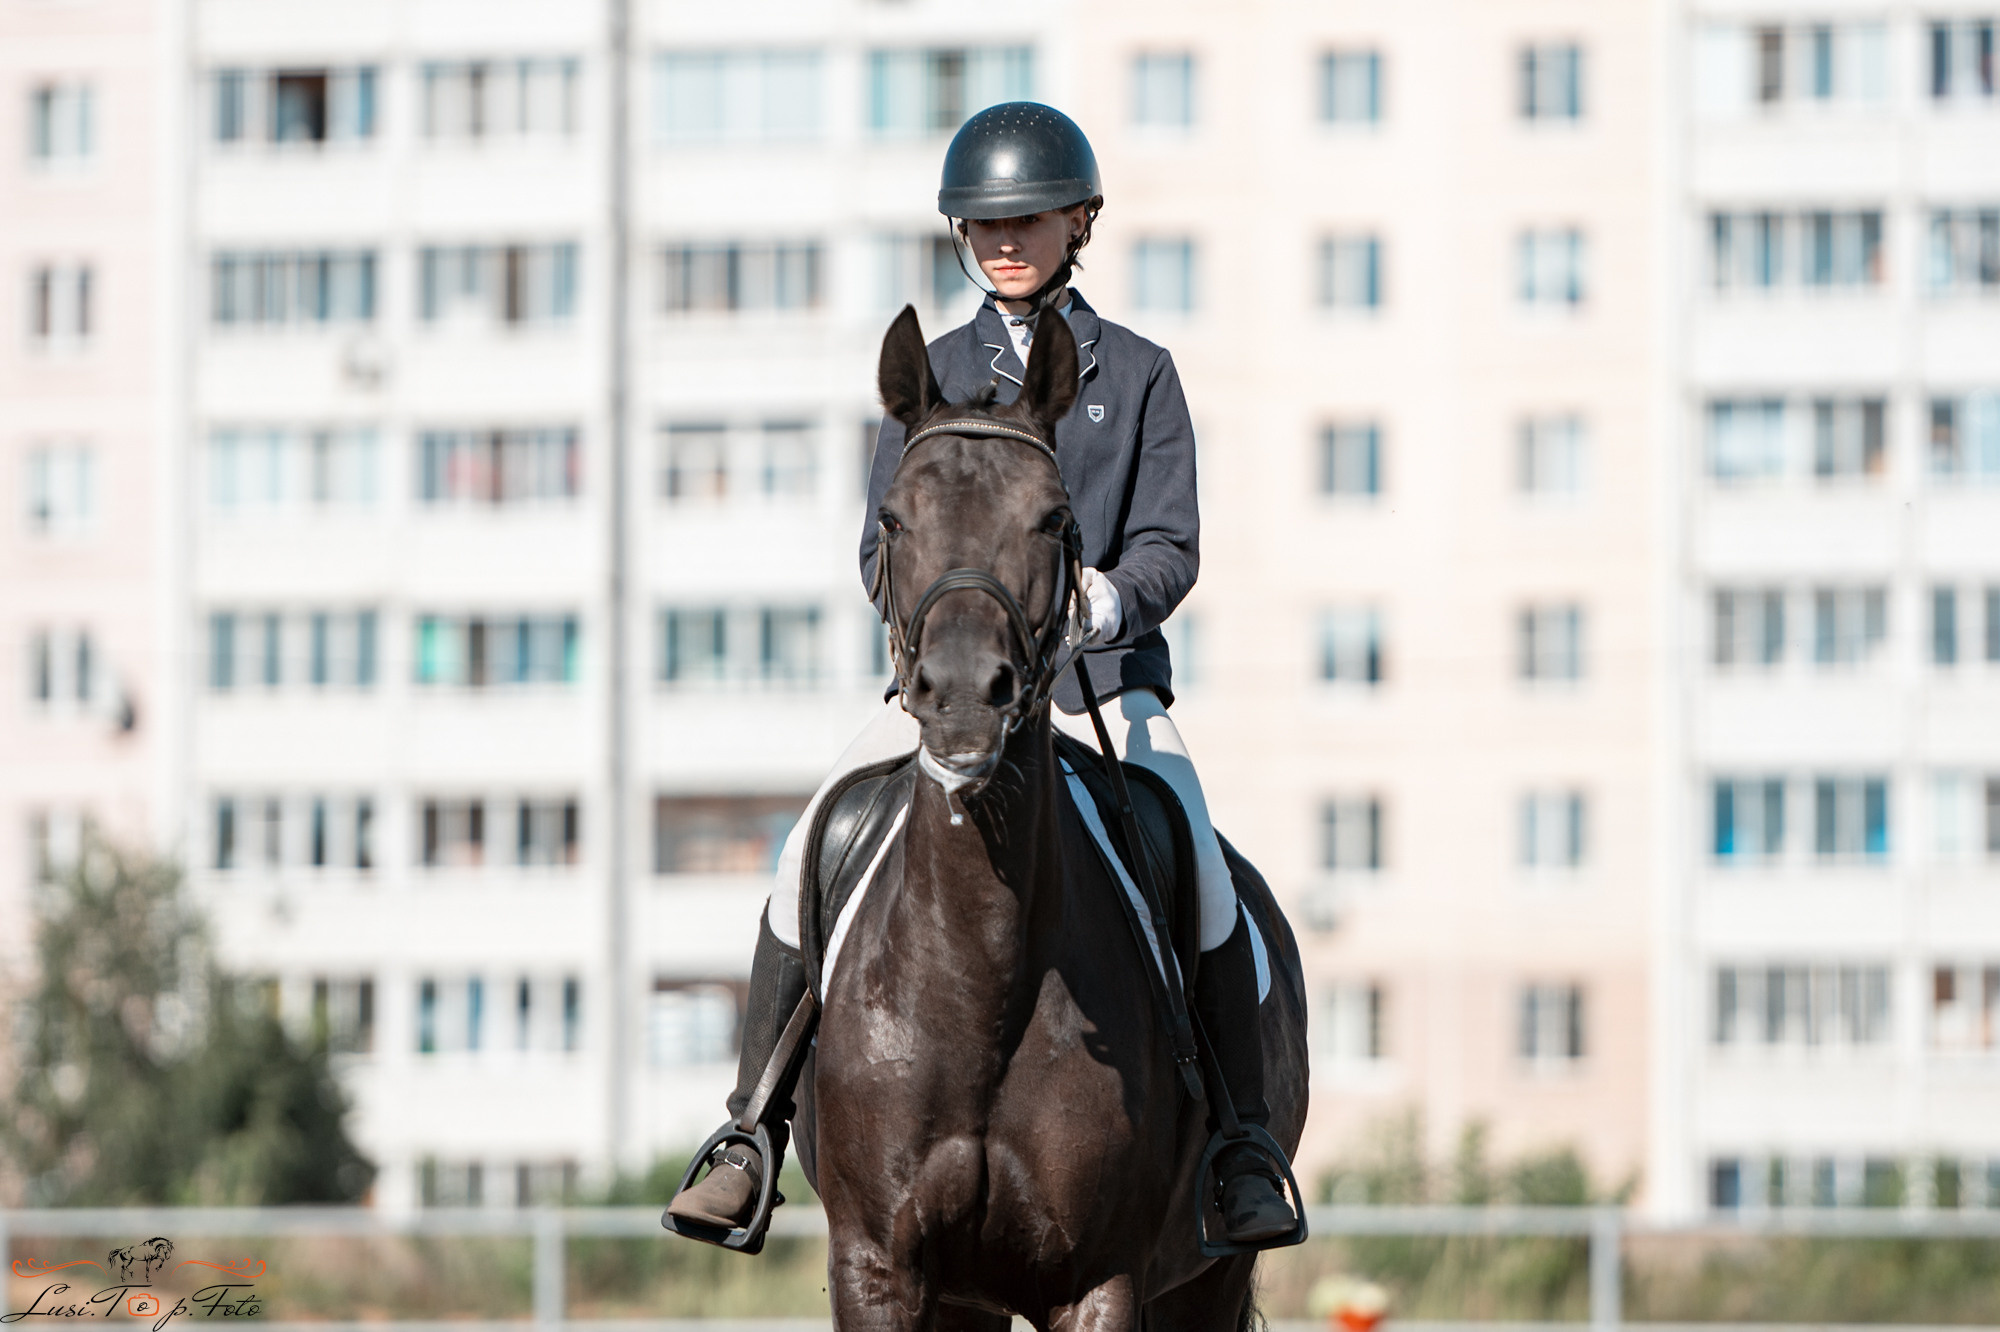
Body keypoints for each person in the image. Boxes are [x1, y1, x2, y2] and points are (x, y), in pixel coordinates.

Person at [667, 102, 1298, 1246]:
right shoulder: (935, 373)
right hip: (945, 693)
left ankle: (1240, 1144)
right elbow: (880, 551)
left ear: (1077, 223)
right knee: (806, 846)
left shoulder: (1137, 374)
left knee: (1198, 861)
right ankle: (749, 1129)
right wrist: (931, 631)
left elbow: (1169, 542)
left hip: (1102, 686)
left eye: (1029, 220)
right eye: (985, 224)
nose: (1006, 240)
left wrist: (1101, 600)